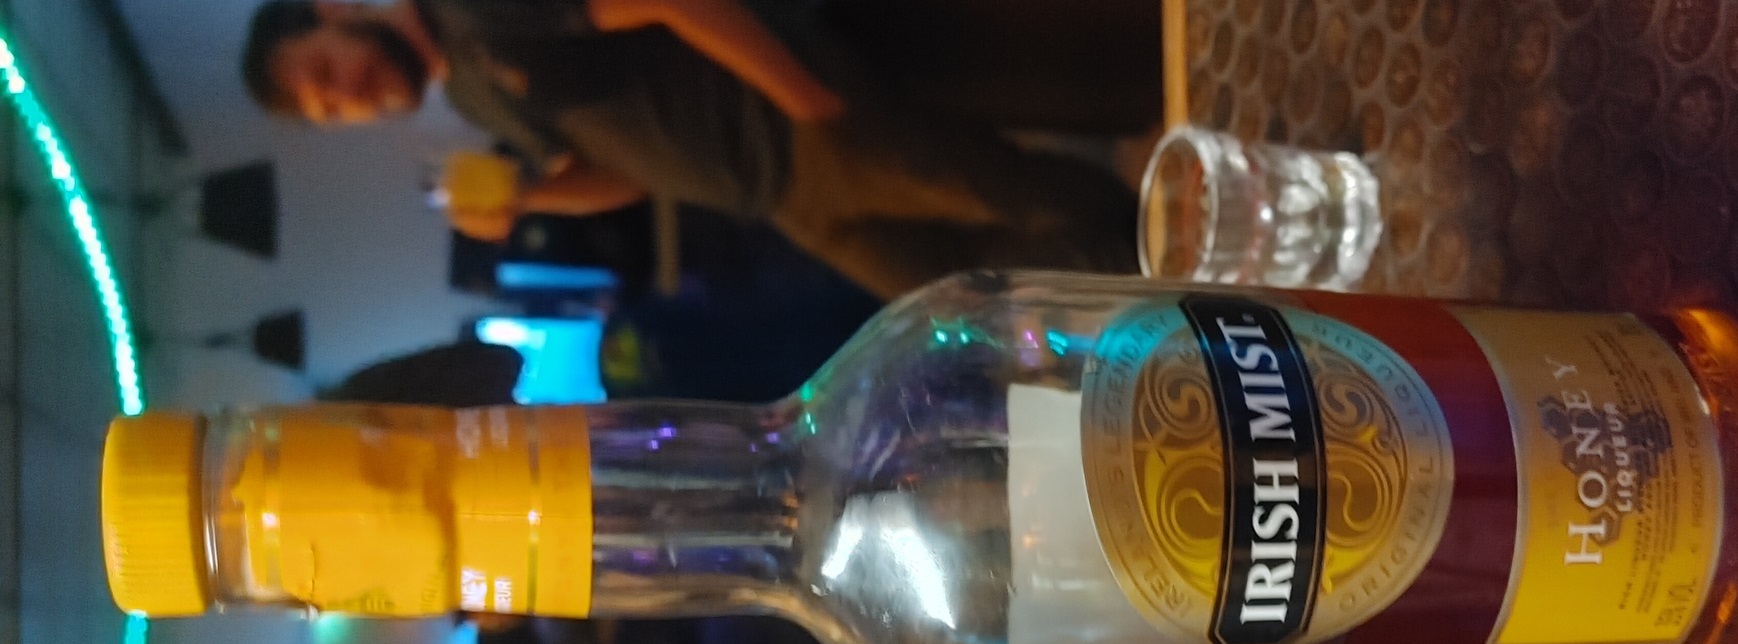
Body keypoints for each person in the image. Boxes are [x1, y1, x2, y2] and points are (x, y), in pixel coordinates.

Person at [238, 0, 1142, 296]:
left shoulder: (469, 9)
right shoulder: (473, 98)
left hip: (794, 128)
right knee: (973, 298)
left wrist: (808, 99)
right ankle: (1162, 287)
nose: (345, 97)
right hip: (778, 199)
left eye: (326, 70)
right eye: (329, 111)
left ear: (334, 11)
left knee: (1023, 198)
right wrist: (528, 200)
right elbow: (626, 179)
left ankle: (1186, 247)